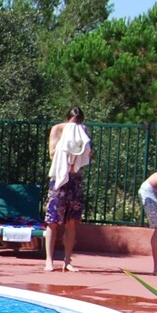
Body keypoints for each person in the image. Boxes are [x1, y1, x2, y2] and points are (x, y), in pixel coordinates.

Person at [44, 109, 92, 272]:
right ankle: (49, 260)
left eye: (78, 121)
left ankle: (67, 260)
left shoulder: (83, 131)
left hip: (75, 179)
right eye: (73, 121)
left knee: (72, 222)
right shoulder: (57, 129)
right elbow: (52, 154)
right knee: (52, 221)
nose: (76, 124)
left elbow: (87, 153)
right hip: (59, 180)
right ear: (67, 119)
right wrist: (66, 145)